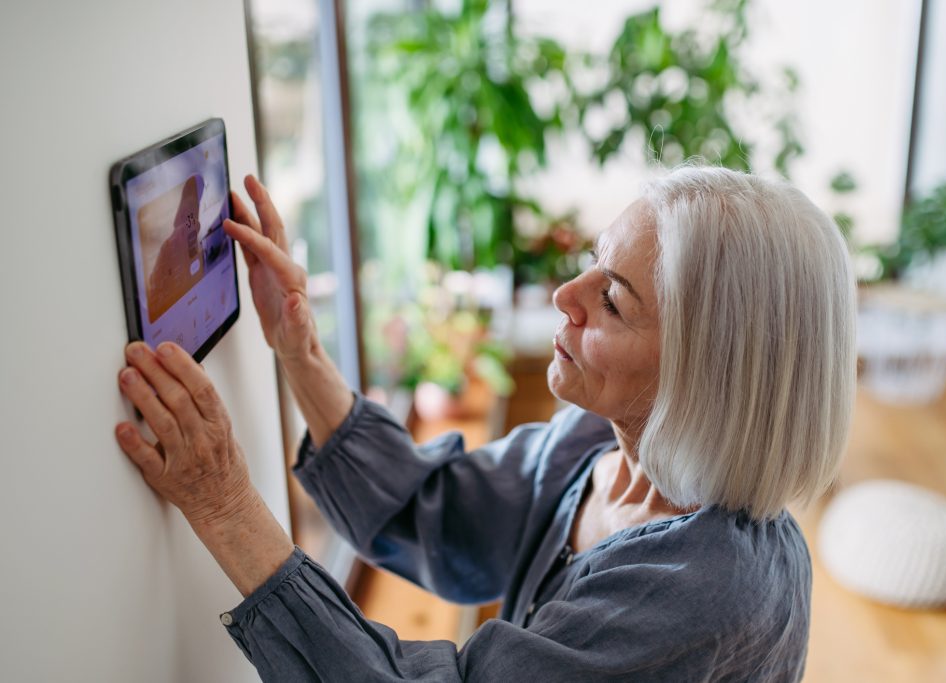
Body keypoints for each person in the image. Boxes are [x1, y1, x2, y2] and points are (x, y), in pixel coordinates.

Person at [114, 166, 856, 681]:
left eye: (615, 299)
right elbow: (437, 513)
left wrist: (224, 503)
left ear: (708, 371)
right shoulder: (593, 442)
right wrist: (299, 347)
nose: (567, 293)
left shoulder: (707, 592)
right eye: (593, 264)